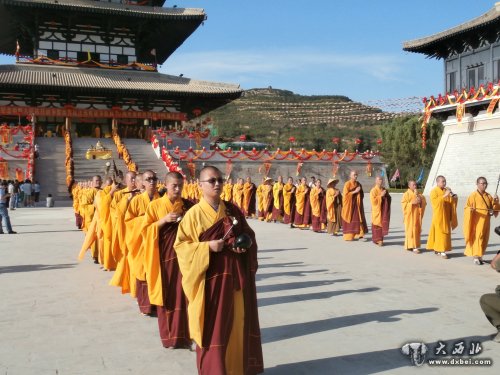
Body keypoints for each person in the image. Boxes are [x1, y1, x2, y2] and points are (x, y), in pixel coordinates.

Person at [174, 166, 263, 375]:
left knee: (237, 324)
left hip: (234, 279)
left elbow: (248, 233)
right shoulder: (193, 215)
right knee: (213, 329)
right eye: (211, 180)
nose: (217, 184)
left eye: (220, 180)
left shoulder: (232, 210)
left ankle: (236, 369)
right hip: (210, 283)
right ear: (200, 185)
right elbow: (181, 248)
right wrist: (207, 247)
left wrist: (245, 245)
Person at [142, 171, 193, 348]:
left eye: (180, 185)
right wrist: (163, 220)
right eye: (174, 186)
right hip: (164, 259)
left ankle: (186, 336)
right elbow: (145, 232)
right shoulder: (155, 206)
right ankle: (169, 337)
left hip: (185, 258)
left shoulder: (188, 206)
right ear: (166, 185)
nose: (178, 189)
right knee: (167, 295)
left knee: (185, 295)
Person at [463, 177, 500, 265]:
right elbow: (467, 207)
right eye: (482, 183)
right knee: (478, 237)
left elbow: (494, 209)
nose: (484, 185)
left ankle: (480, 256)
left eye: (485, 183)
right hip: (477, 221)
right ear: (477, 184)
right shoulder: (473, 195)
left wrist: (496, 201)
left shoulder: (488, 196)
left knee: (484, 238)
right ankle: (476, 256)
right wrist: (470, 209)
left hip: (486, 221)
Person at [426, 175, 458, 259]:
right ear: (437, 182)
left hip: (446, 216)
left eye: (445, 181)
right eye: (442, 181)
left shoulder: (446, 191)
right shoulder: (434, 191)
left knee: (444, 233)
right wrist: (444, 196)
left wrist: (454, 198)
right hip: (439, 216)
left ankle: (438, 249)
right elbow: (435, 203)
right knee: (441, 233)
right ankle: (442, 251)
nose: (444, 183)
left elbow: (451, 203)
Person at [401, 180, 427, 254]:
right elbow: (403, 205)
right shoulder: (406, 194)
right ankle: (410, 246)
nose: (415, 186)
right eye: (413, 185)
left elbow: (424, 202)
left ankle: (415, 246)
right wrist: (411, 203)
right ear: (409, 186)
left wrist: (420, 200)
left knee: (415, 231)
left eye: (415, 185)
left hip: (416, 216)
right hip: (409, 216)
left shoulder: (419, 194)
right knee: (409, 231)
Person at [341, 170, 368, 241]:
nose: (355, 176)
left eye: (356, 175)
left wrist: (360, 192)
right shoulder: (347, 184)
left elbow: (361, 195)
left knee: (359, 218)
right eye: (354, 175)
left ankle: (360, 235)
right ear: (350, 176)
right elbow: (345, 196)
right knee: (351, 219)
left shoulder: (358, 184)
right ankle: (349, 236)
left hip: (357, 204)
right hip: (350, 205)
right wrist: (355, 191)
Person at [370, 176, 391, 246]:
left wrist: (386, 195)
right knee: (376, 224)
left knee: (382, 224)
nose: (380, 181)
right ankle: (377, 240)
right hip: (376, 210)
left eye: (381, 180)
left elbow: (388, 198)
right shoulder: (373, 190)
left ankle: (380, 239)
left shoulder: (383, 189)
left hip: (383, 210)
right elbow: (373, 201)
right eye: (379, 180)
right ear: (376, 181)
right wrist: (381, 196)